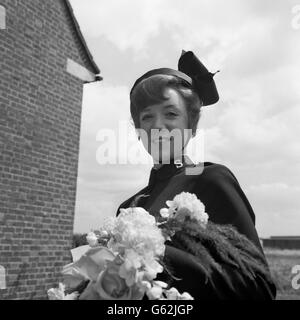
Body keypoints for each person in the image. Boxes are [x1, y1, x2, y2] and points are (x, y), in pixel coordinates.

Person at [116, 51, 277, 300]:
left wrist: (157, 252)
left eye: (170, 113)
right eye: (147, 116)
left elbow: (258, 288)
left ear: (191, 126)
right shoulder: (127, 209)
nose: (157, 125)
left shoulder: (211, 179)